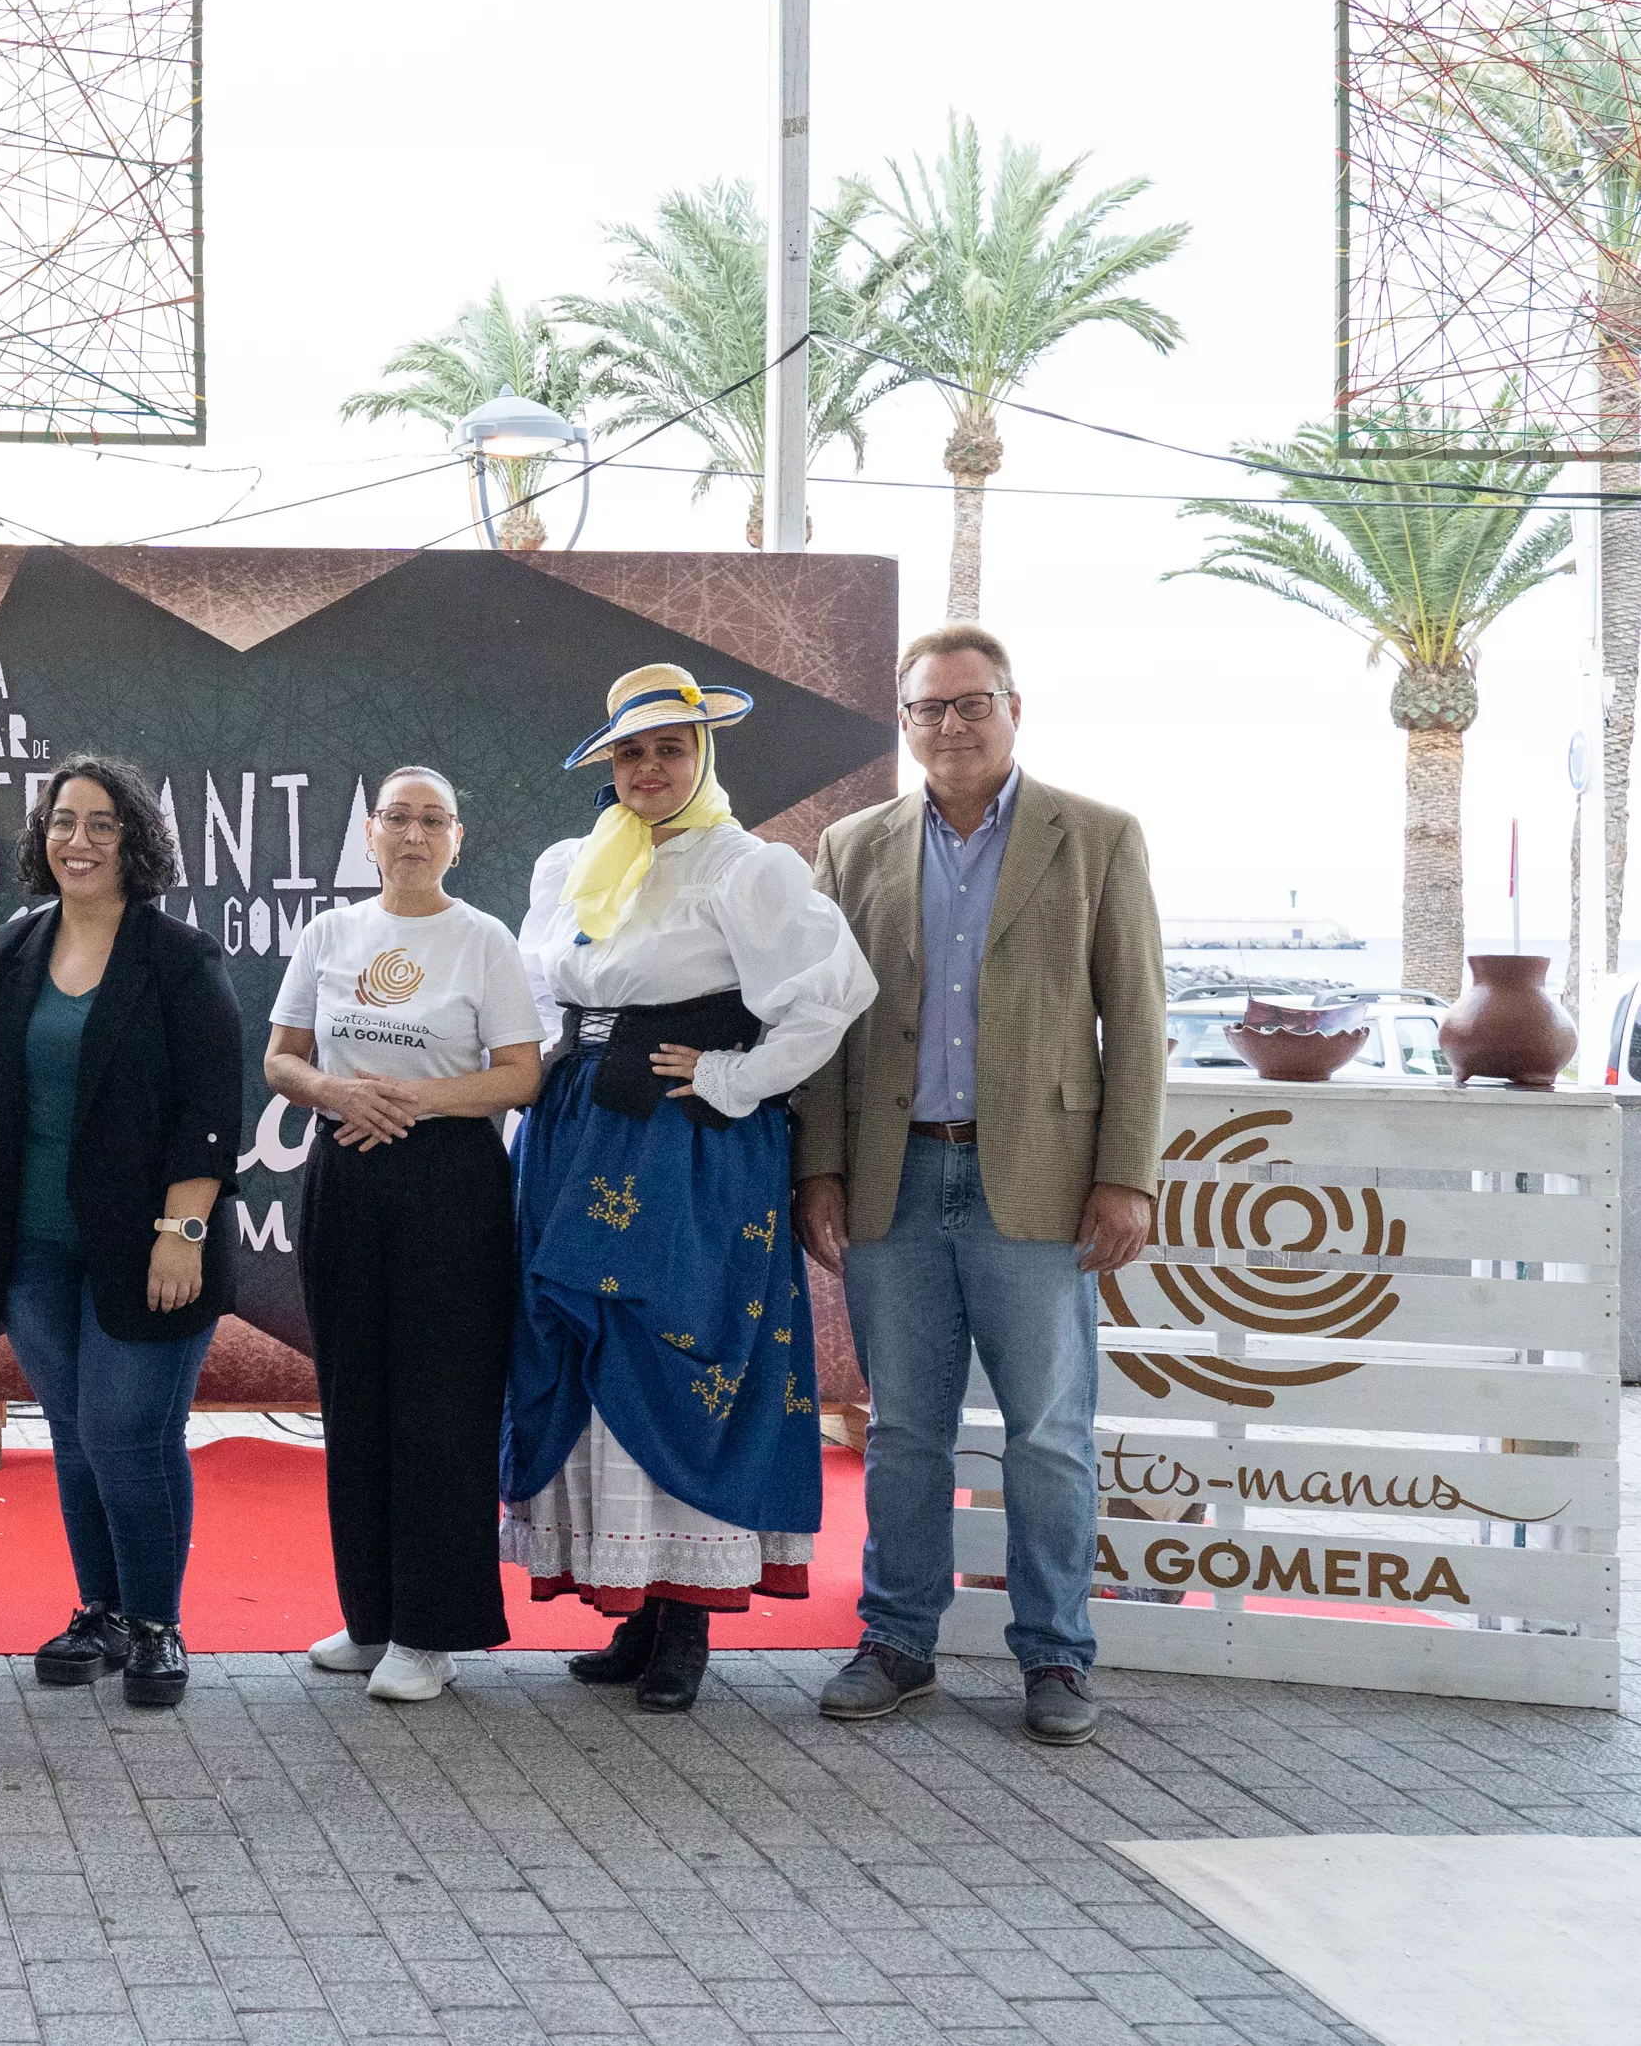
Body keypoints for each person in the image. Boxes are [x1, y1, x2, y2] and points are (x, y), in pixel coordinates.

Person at [796, 626, 1164, 1748]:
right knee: (904, 1429)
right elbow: (823, 1025)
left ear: (1013, 707)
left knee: (1048, 1433)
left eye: (971, 703)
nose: (950, 724)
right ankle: (897, 1641)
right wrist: (819, 1164)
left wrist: (1124, 1176)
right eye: (928, 708)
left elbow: (1136, 1018)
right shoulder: (851, 845)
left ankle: (1054, 1653)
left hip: (1041, 1184)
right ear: (904, 722)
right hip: (892, 1177)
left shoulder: (1095, 837)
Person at [504, 664, 876, 1713]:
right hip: (576, 1132)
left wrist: (730, 1078)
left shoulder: (745, 867)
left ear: (702, 756)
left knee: (674, 1341)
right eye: (632, 752)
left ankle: (687, 1623)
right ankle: (635, 1606)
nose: (650, 769)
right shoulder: (571, 865)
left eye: (670, 749)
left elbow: (833, 993)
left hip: (686, 1147)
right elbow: (536, 998)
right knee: (591, 1351)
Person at [0, 756, 240, 1709]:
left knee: (128, 1433)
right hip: (30, 1242)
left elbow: (209, 1109)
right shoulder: (14, 946)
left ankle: (156, 1626)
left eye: (101, 823)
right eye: (62, 822)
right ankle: (102, 1613)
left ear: (134, 839)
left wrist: (181, 1231)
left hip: (148, 1244)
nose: (78, 841)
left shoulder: (179, 957)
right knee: (75, 1435)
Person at [266, 767, 542, 1705]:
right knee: (352, 1396)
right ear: (370, 835)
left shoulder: (483, 939)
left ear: (456, 840)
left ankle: (431, 1632)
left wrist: (414, 1102)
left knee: (441, 1404)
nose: (413, 835)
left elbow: (518, 1075)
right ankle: (372, 1617)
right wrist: (336, 1093)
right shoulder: (329, 933)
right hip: (345, 1171)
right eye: (397, 818)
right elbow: (280, 1059)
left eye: (432, 820)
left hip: (450, 1181)